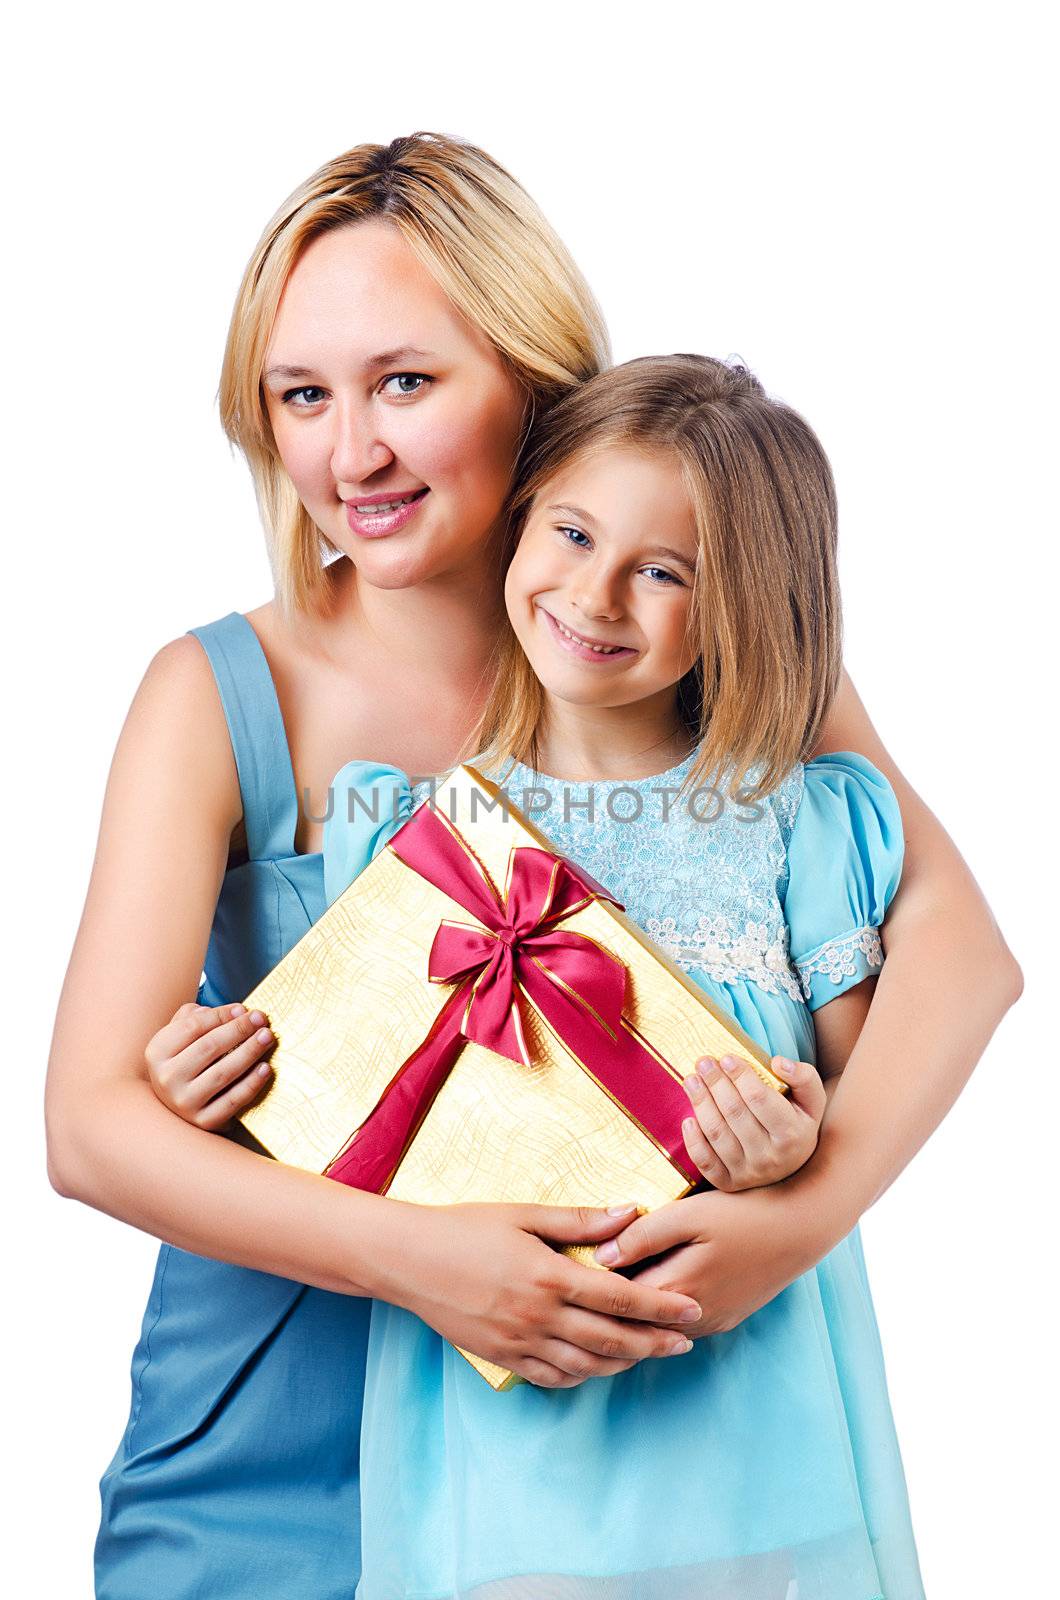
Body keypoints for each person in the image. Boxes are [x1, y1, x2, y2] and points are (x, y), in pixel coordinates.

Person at [43, 134, 1021, 1597]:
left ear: (538, 378)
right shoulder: (220, 696)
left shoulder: (657, 626)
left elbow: (955, 940)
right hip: (277, 1439)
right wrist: (426, 1261)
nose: (349, 454)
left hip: (617, 1456)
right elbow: (88, 1130)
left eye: (406, 383)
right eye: (301, 395)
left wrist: (789, 1222)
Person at [275, 352, 920, 1596]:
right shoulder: (418, 831)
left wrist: (793, 1143)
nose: (595, 591)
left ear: (741, 603)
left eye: (663, 570)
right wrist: (193, 1066)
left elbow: (853, 1077)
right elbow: (357, 1097)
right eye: (570, 532)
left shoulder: (793, 817)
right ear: (522, 521)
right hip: (501, 1424)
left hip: (739, 1410)